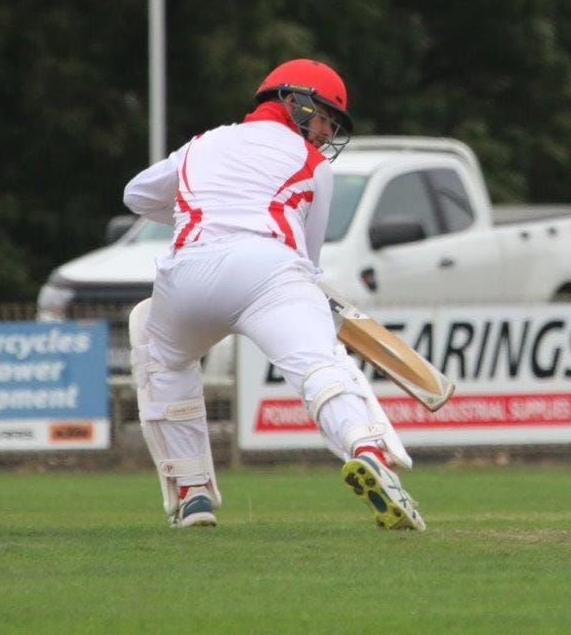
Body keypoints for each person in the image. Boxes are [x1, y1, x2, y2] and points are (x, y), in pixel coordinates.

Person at [123, 58, 425, 530]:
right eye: (324, 118)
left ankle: (193, 493)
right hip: (268, 269)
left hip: (186, 271)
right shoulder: (313, 166)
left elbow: (136, 196)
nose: (326, 133)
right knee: (318, 366)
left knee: (162, 355)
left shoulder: (202, 145)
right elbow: (307, 257)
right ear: (293, 100)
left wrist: (199, 207)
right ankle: (367, 450)